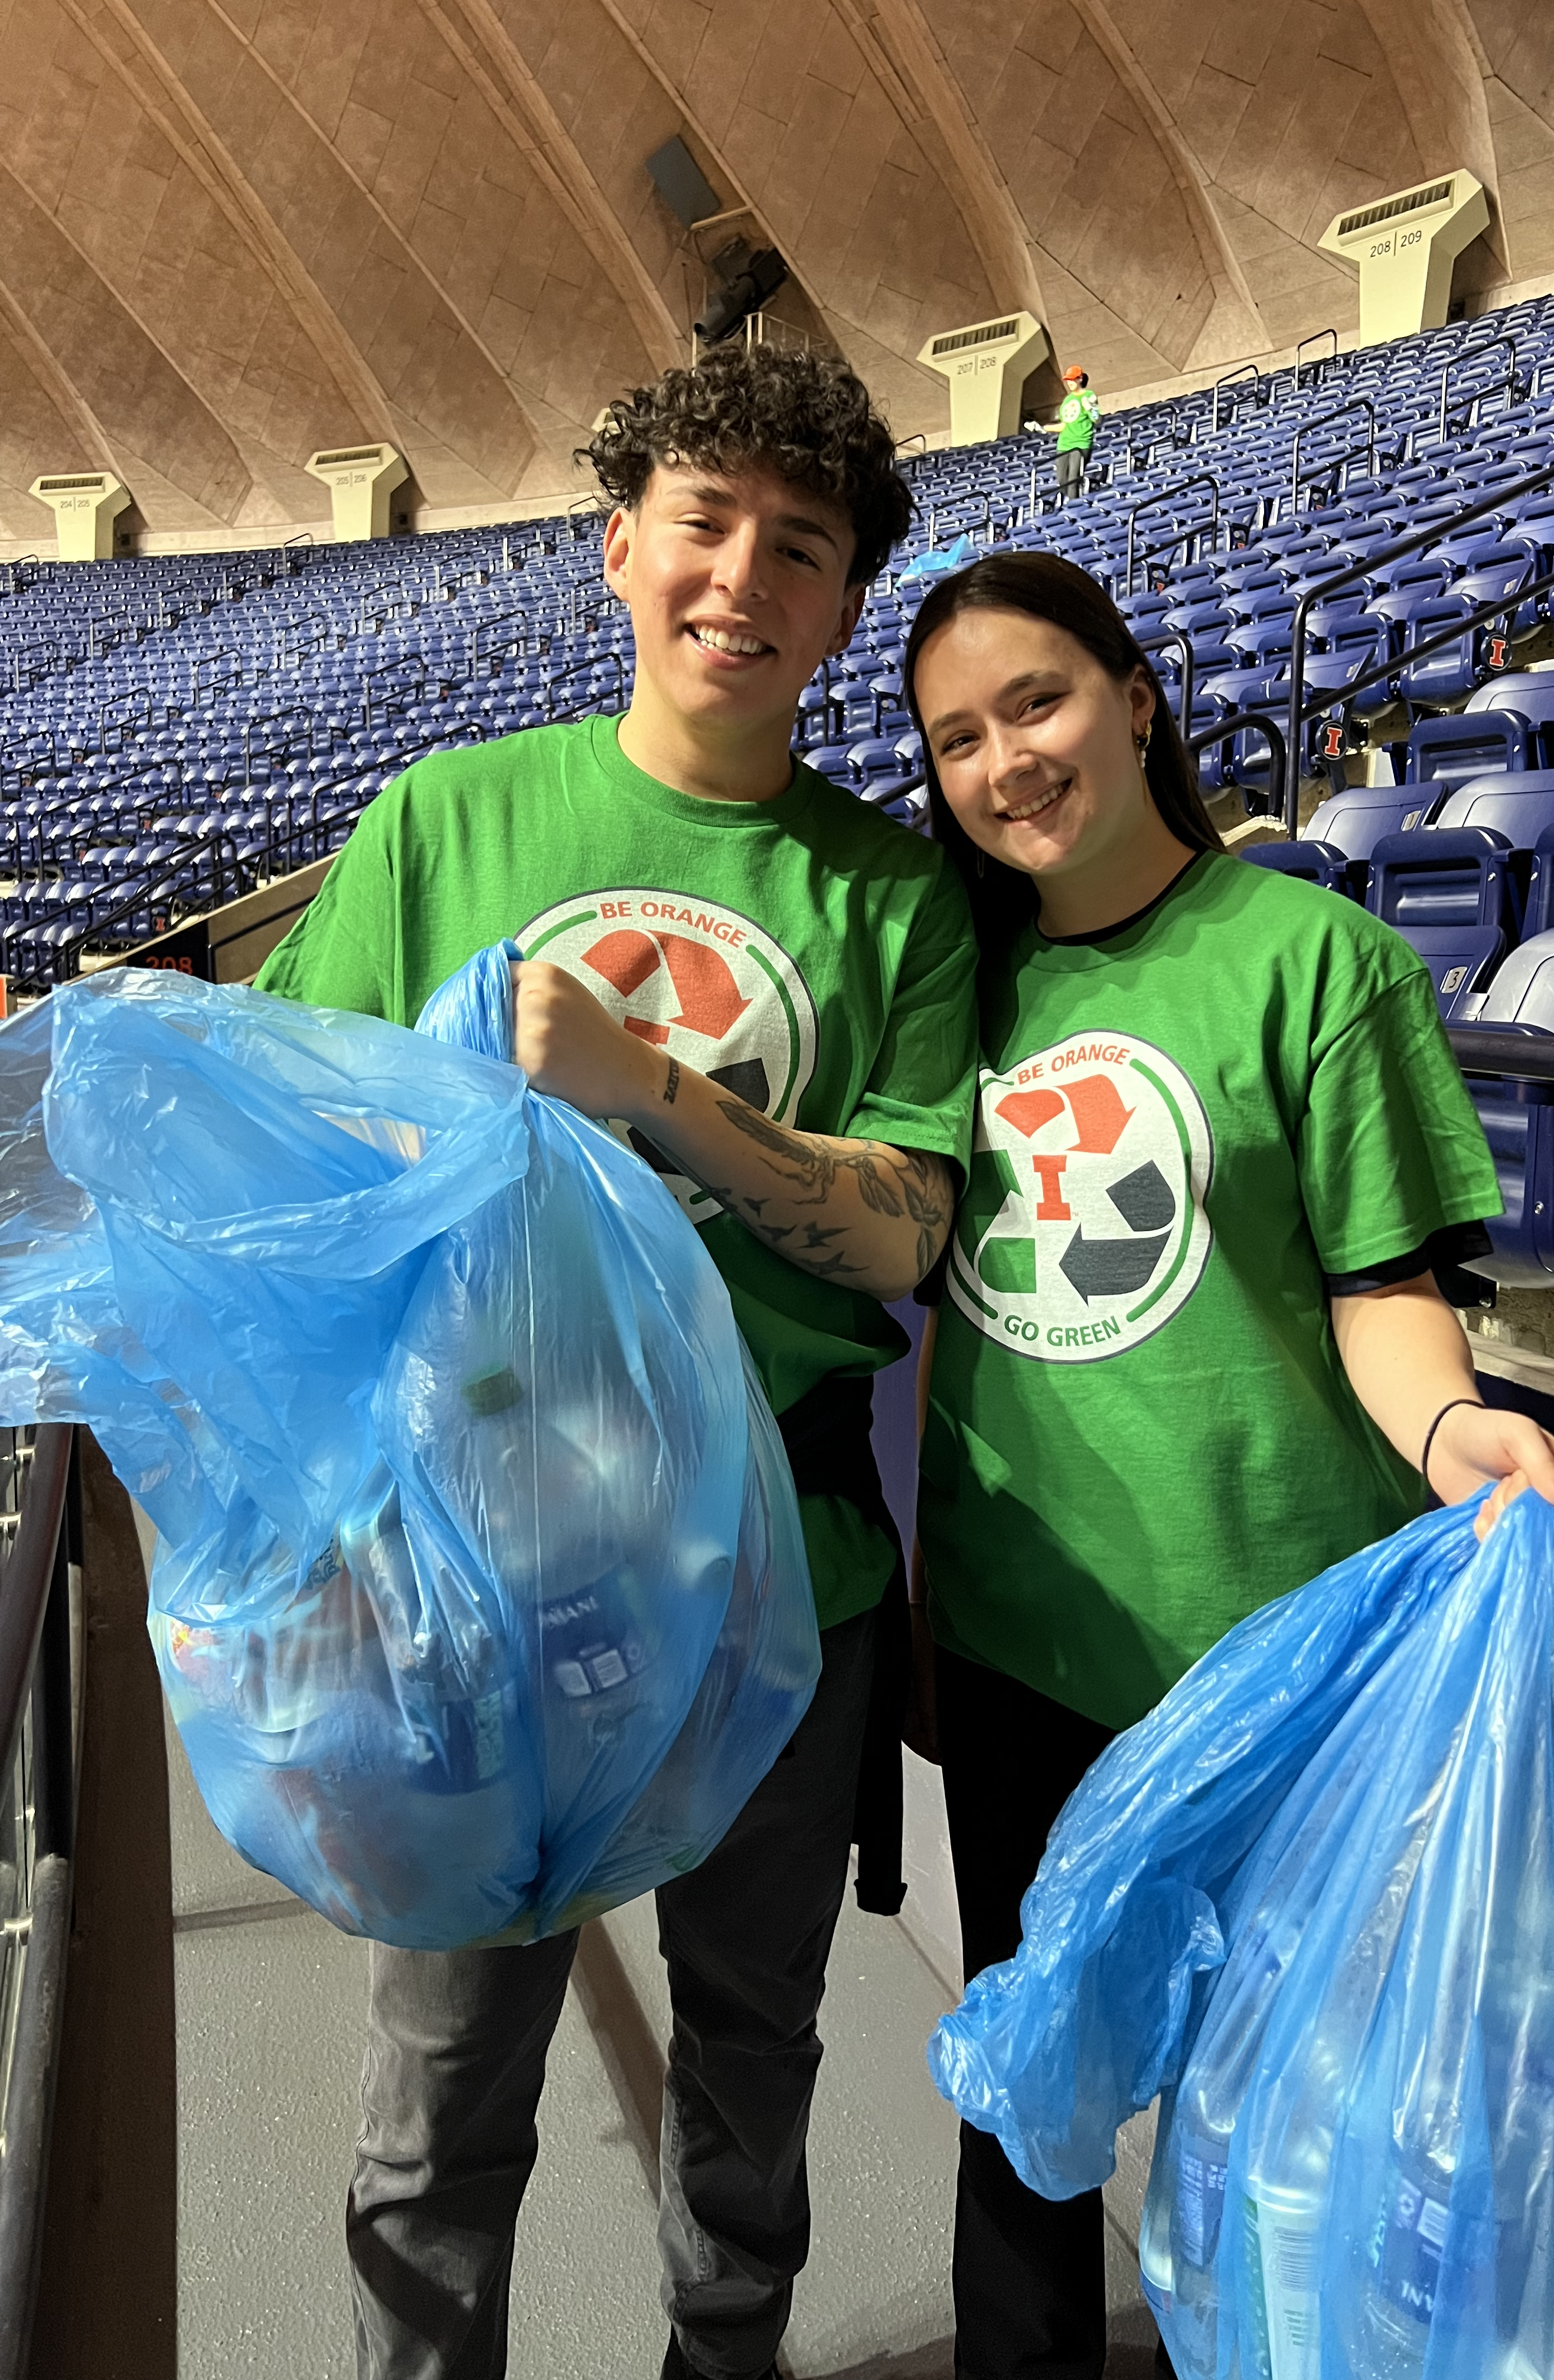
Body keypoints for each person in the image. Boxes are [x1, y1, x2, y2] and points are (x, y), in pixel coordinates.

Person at [256, 346, 980, 2380]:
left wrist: (648, 1080)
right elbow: (306, 1164)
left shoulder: (895, 896)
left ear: (844, 607)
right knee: (439, 2088)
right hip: (474, 1579)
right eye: (705, 522)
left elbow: (912, 1227)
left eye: (801, 546)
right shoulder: (440, 824)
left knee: (749, 2068)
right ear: (616, 551)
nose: (743, 574)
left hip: (781, 1581)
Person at [898, 552, 1554, 2380]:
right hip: (1023, 1642)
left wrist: (1451, 1429)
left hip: (1286, 1663)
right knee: (1029, 2106)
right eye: (959, 738)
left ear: (1139, 699)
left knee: (1294, 2111)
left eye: (1037, 703)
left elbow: (1383, 1291)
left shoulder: (1321, 963)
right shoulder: (941, 996)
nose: (1007, 762)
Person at [1052, 367, 1100, 501]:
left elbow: (1097, 419)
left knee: (1073, 479)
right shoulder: (1067, 400)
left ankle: (1074, 506)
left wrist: (1090, 408)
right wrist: (1044, 428)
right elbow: (1064, 425)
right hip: (1064, 443)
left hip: (1080, 443)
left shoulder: (1089, 395)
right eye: (1068, 380)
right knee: (1062, 480)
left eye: (1072, 379)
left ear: (1080, 379)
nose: (1070, 383)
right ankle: (1070, 504)